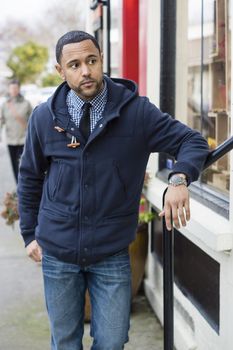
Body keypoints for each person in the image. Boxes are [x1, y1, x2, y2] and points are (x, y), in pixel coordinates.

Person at [17, 30, 209, 350]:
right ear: (60, 71)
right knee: (65, 342)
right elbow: (30, 177)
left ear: (102, 60)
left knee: (112, 341)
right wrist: (29, 235)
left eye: (92, 61)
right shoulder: (43, 118)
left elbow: (192, 142)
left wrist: (179, 180)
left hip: (111, 252)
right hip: (58, 251)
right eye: (75, 65)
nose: (86, 71)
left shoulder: (137, 113)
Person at [0, 79, 32, 183]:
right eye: (11, 88)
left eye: (15, 88)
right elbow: (1, 120)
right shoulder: (5, 105)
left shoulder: (26, 103)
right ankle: (19, 188)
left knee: (23, 165)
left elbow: (33, 122)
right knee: (14, 166)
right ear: (9, 90)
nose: (13, 90)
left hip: (24, 140)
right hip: (10, 141)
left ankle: (25, 186)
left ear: (19, 89)